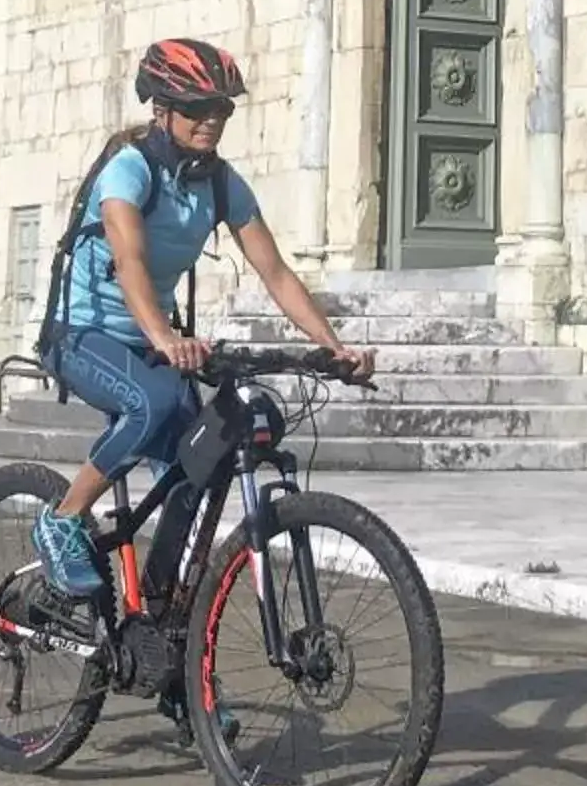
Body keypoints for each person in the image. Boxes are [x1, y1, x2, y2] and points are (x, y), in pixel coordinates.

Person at [32, 37, 372, 616]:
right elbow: (131, 262)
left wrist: (332, 347)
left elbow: (276, 272)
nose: (212, 121)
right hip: (81, 333)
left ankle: (160, 614)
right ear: (160, 109)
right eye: (196, 109)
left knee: (202, 455)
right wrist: (165, 338)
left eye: (222, 109)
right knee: (154, 402)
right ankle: (62, 519)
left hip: (146, 341)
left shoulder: (220, 184)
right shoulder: (128, 171)